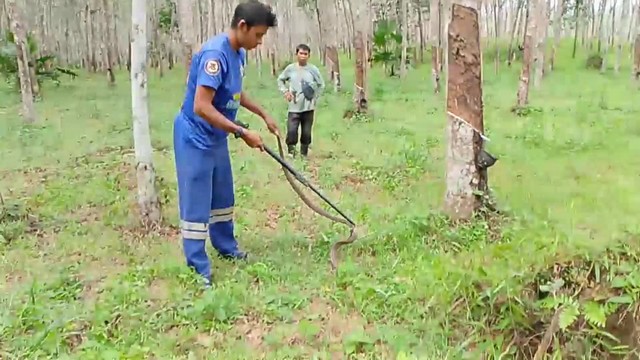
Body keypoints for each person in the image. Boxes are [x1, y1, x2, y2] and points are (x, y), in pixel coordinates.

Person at [172, 0, 279, 286]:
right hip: (195, 136)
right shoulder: (215, 55)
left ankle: (226, 247)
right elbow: (202, 106)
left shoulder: (239, 53)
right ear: (242, 26)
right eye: (258, 35)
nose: (259, 42)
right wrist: (242, 132)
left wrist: (263, 113)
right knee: (197, 202)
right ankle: (197, 267)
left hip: (217, 136)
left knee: (222, 196)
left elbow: (234, 92)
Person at [277, 44, 325, 158]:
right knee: (292, 130)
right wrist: (285, 92)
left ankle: (304, 153)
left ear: (309, 56)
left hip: (308, 107)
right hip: (294, 106)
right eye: (301, 53)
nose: (303, 56)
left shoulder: (313, 69)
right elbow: (280, 80)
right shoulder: (291, 69)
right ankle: (291, 152)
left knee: (306, 132)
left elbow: (321, 84)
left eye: (305, 54)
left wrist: (315, 97)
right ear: (296, 54)